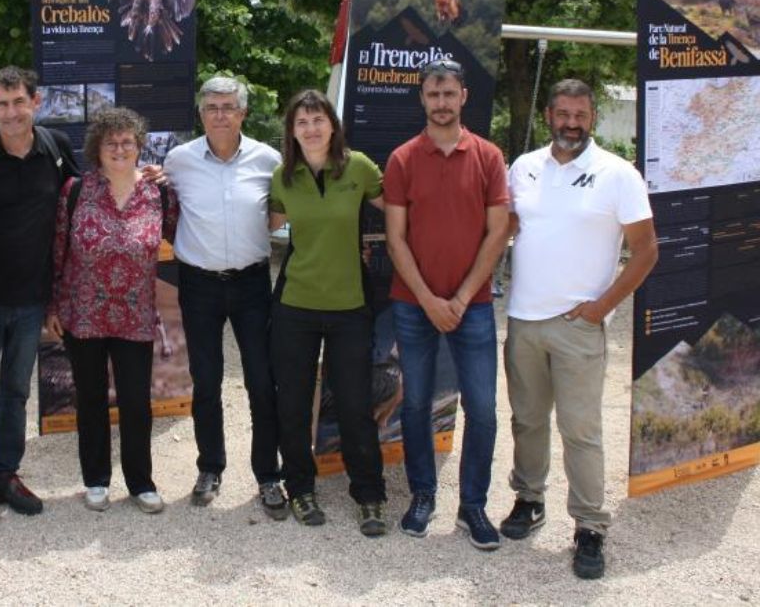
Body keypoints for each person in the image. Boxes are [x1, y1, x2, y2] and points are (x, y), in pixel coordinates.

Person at [500, 79, 657, 580]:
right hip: (523, 320)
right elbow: (503, 230)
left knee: (581, 431)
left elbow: (646, 249)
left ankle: (590, 526)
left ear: (592, 116)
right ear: (548, 114)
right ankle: (529, 500)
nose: (571, 122)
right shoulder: (522, 167)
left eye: (581, 114)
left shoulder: (618, 174)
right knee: (526, 420)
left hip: (578, 327)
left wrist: (603, 306)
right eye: (563, 113)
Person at [383, 58, 509, 550]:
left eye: (449, 94)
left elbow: (498, 232)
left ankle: (473, 506)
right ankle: (422, 496)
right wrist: (429, 300)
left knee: (483, 408)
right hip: (413, 306)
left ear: (463, 97)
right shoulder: (402, 159)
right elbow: (395, 239)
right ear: (422, 99)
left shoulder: (489, 157)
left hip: (472, 306)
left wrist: (457, 299)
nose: (441, 103)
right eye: (433, 95)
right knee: (414, 405)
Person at [0, 67, 77, 524]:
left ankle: (5, 473)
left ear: (36, 103)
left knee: (17, 393)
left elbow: (86, 198)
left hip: (30, 301)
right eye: (2, 104)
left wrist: (146, 178)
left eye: (19, 102)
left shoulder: (56, 149)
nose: (11, 112)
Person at [163, 76, 286, 518]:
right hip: (198, 285)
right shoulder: (178, 161)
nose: (219, 114)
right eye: (212, 106)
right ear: (200, 113)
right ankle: (210, 467)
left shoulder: (268, 159)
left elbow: (283, 210)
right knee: (207, 380)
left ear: (243, 114)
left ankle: (268, 475)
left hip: (252, 283)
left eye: (228, 107)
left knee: (260, 381)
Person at [46, 108, 178, 514]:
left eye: (127, 142)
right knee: (90, 399)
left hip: (135, 314)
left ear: (140, 147)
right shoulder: (76, 190)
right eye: (111, 142)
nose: (119, 149)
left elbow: (181, 238)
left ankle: (140, 482)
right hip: (83, 312)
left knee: (137, 401)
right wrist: (52, 305)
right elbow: (57, 251)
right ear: (97, 149)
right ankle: (96, 479)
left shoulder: (158, 193)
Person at [268, 90, 387, 532]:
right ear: (292, 131)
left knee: (355, 404)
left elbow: (397, 213)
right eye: (302, 122)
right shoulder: (283, 177)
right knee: (294, 404)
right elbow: (264, 224)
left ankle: (370, 495)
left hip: (349, 306)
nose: (311, 128)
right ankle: (300, 488)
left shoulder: (359, 168)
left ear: (333, 125)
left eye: (318, 120)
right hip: (295, 305)